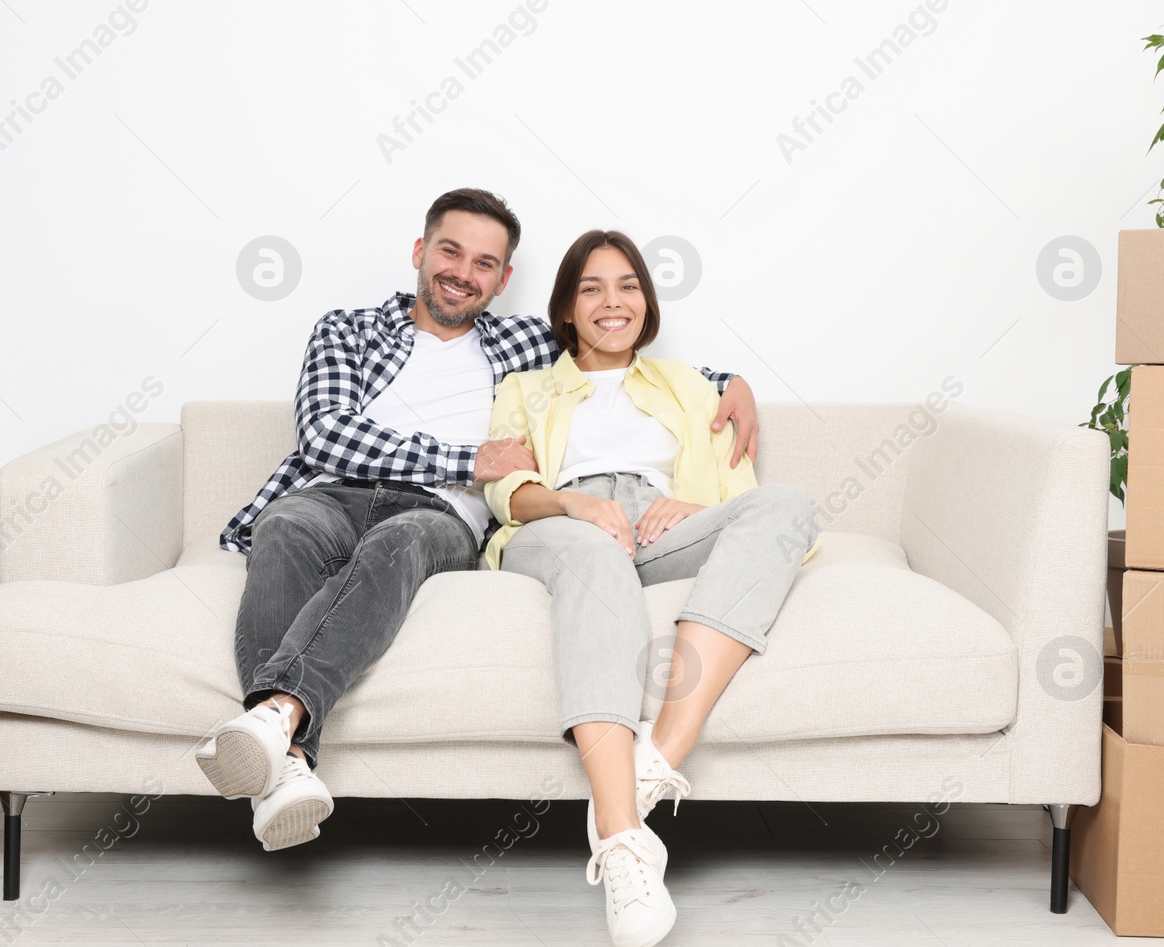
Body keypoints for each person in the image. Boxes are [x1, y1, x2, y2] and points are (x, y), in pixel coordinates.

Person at [202, 189, 761, 853]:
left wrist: (735, 381)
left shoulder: (524, 343)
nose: (464, 271)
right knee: (283, 527)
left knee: (401, 539)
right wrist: (468, 457)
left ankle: (277, 723)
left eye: (485, 262)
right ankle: (286, 763)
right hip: (331, 493)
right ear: (420, 251)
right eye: (450, 250)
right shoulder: (345, 329)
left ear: (504, 279)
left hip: (439, 512)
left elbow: (623, 352)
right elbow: (324, 436)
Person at [483, 228, 821, 947]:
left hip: (663, 525)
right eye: (592, 288)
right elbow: (506, 488)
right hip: (562, 522)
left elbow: (744, 496)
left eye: (628, 285)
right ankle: (625, 842)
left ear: (647, 300)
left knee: (790, 504)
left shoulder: (688, 383)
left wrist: (696, 511)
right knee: (595, 556)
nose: (614, 301)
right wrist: (576, 506)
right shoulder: (525, 387)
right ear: (567, 309)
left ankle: (660, 754)